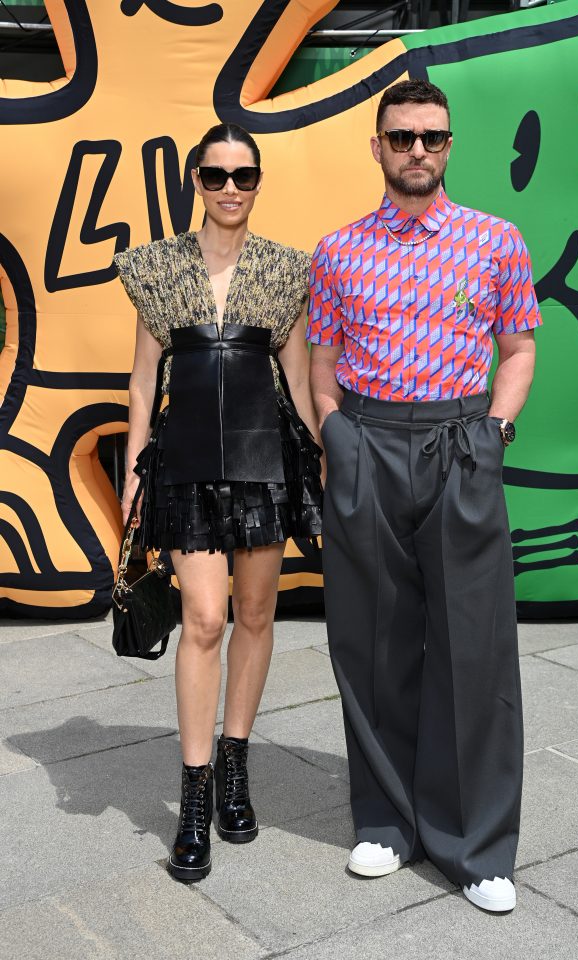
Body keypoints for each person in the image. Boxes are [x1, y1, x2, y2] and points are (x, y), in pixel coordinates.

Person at [308, 79, 541, 913]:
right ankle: (385, 822)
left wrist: (495, 433)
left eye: (431, 137)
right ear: (376, 145)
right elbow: (321, 363)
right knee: (372, 641)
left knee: (475, 647)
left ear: (449, 145)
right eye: (401, 136)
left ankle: (477, 844)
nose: (417, 150)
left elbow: (518, 349)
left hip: (461, 444)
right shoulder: (336, 252)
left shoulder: (495, 240)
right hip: (367, 443)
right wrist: (336, 437)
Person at [113, 122, 322, 883]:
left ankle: (236, 765)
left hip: (266, 464)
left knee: (256, 615)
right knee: (204, 618)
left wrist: (321, 466)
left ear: (258, 181)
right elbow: (144, 379)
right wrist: (133, 475)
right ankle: (195, 794)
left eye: (244, 175)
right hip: (186, 464)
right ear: (195, 181)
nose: (230, 188)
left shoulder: (285, 269)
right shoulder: (156, 268)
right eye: (216, 175)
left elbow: (298, 377)